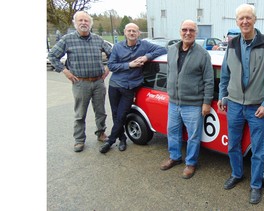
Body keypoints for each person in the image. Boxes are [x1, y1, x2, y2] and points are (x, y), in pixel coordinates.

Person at [217, 4, 264, 204]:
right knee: (233, 145)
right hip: (234, 105)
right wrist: (221, 96)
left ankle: (256, 186)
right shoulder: (232, 44)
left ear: (255, 19)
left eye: (248, 17)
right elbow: (225, 75)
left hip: (257, 108)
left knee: (259, 150)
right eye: (241, 18)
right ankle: (237, 174)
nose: (245, 21)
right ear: (237, 21)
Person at [48, 11, 112, 152]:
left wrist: (107, 69)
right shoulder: (67, 39)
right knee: (80, 113)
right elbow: (52, 56)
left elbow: (113, 55)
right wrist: (65, 71)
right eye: (80, 20)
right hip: (80, 83)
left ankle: (101, 133)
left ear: (90, 24)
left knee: (101, 111)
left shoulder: (98, 39)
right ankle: (79, 140)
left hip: (98, 82)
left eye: (86, 20)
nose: (84, 23)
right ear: (75, 23)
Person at [99, 23, 167, 153]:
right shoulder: (118, 47)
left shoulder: (144, 45)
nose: (131, 33)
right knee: (115, 114)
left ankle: (111, 141)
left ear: (138, 33)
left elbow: (163, 50)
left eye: (134, 31)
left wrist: (147, 57)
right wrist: (129, 65)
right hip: (115, 85)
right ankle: (122, 139)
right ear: (125, 32)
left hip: (129, 88)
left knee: (121, 115)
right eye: (129, 31)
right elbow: (112, 66)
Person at [160, 20, 214, 179]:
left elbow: (209, 81)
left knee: (193, 136)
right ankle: (175, 157)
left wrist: (206, 102)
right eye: (184, 29)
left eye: (191, 30)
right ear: (180, 31)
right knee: (173, 132)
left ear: (196, 33)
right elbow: (169, 72)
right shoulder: (172, 50)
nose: (187, 33)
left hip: (193, 104)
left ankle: (191, 163)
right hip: (174, 102)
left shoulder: (203, 54)